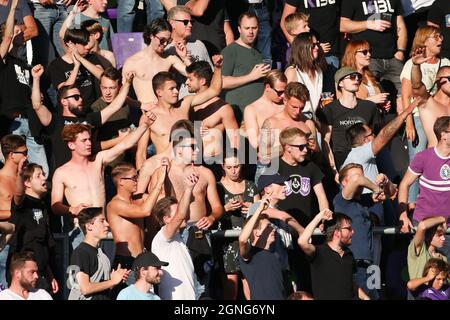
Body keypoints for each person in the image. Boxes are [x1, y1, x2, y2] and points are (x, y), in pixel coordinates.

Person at [50, 113, 155, 250]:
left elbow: (125, 144)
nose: (89, 143)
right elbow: (55, 205)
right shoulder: (61, 172)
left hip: (104, 228)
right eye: (84, 141)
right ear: (71, 145)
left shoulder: (98, 160)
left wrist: (144, 126)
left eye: (89, 139)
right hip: (81, 230)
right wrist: (72, 209)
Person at [149, 124, 223, 298]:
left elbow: (218, 207)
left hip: (200, 232)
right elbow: (161, 208)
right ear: (179, 150)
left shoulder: (205, 173)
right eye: (192, 146)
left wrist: (212, 217)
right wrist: (164, 176)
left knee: (204, 284)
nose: (198, 149)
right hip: (174, 234)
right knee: (177, 281)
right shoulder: (164, 172)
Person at [31, 65, 138, 171]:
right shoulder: (55, 121)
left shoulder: (89, 119)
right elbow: (37, 106)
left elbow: (115, 106)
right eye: (76, 97)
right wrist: (36, 78)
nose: (81, 100)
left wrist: (128, 83)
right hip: (67, 177)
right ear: (64, 101)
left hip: (88, 175)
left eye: (81, 96)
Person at [134, 55, 223, 163]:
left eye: (176, 87)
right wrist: (141, 175)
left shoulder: (184, 104)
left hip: (190, 167)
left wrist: (218, 68)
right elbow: (141, 153)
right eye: (171, 89)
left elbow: (214, 91)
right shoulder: (149, 117)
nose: (176, 91)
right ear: (159, 92)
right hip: (167, 170)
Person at [0, 0, 49, 174]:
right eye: (17, 33)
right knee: (16, 174)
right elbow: (6, 38)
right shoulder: (3, 62)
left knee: (42, 172)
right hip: (13, 125)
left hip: (30, 125)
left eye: (21, 32)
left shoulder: (24, 65)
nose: (21, 35)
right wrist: (13, 8)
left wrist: (35, 80)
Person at [335, 163, 396, 299]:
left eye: (363, 176)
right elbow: (358, 180)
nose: (361, 180)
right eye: (356, 176)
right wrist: (375, 188)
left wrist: (386, 181)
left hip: (371, 265)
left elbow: (390, 193)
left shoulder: (364, 200)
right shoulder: (341, 200)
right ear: (344, 182)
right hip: (352, 265)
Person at [340, 0, 407, 110]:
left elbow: (400, 25)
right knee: (371, 96)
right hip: (367, 58)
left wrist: (401, 51)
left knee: (404, 95)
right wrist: (368, 24)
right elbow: (342, 25)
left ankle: (406, 126)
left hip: (393, 57)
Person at [107, 161, 166, 275]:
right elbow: (145, 211)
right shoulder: (115, 204)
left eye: (137, 177)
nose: (137, 181)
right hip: (127, 261)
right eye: (134, 178)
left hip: (142, 259)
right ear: (121, 181)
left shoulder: (138, 200)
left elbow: (164, 199)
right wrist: (159, 183)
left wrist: (164, 171)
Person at [7, 163, 58, 294]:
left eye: (44, 175)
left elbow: (43, 245)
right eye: (38, 176)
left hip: (40, 274)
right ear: (27, 183)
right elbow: (18, 194)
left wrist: (50, 275)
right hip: (23, 275)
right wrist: (19, 174)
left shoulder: (43, 206)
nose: (43, 179)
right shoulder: (22, 203)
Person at [216, 148, 260, 299]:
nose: (233, 171)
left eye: (237, 166)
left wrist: (252, 210)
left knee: (251, 287)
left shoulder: (251, 186)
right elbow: (210, 214)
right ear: (222, 166)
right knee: (231, 289)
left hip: (249, 240)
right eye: (229, 167)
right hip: (227, 243)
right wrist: (226, 208)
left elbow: (261, 213)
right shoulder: (217, 188)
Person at [319, 67, 379, 173]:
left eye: (359, 77)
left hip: (366, 156)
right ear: (340, 83)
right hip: (342, 157)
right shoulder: (329, 109)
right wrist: (333, 168)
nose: (356, 79)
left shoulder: (369, 107)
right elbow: (326, 141)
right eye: (352, 77)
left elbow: (375, 134)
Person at [151, 173, 200, 300]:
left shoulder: (177, 237)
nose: (183, 213)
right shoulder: (162, 237)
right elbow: (180, 216)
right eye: (177, 211)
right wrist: (188, 188)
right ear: (166, 219)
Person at [122, 18, 192, 105]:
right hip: (146, 113)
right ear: (151, 36)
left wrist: (184, 58)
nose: (165, 44)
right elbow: (121, 94)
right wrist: (141, 106)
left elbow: (193, 75)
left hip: (167, 112)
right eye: (162, 40)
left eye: (168, 41)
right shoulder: (132, 62)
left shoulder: (169, 58)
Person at [398, 116, 450, 233]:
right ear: (443, 135)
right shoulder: (424, 157)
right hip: (424, 225)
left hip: (447, 226)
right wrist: (403, 215)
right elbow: (404, 184)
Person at [259, 81, 317, 182]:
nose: (298, 112)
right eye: (294, 107)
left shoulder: (308, 124)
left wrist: (315, 149)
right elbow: (262, 154)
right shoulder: (271, 123)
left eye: (301, 108)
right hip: (278, 177)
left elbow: (318, 157)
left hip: (303, 176)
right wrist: (289, 147)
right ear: (285, 100)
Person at [68, 207, 129, 300]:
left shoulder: (101, 254)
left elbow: (101, 289)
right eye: (102, 221)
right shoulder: (80, 253)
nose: (107, 224)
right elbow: (85, 289)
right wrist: (112, 281)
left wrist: (115, 280)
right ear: (89, 226)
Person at [298, 210, 362, 300]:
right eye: (349, 229)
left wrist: (365, 297)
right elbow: (302, 241)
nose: (353, 232)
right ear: (337, 232)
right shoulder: (319, 252)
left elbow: (350, 283)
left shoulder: (349, 255)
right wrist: (318, 217)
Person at [221, 11, 270, 122]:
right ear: (239, 29)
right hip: (239, 116)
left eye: (254, 28)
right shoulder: (230, 51)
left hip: (260, 115)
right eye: (247, 28)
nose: (251, 32)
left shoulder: (258, 53)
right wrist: (251, 76)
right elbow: (222, 82)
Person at [186, 60, 239, 159]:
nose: (186, 82)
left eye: (190, 79)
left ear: (202, 81)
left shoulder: (222, 108)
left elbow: (234, 141)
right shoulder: (186, 106)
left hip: (213, 161)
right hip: (189, 162)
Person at [238, 196, 286, 300]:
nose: (273, 229)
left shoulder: (275, 255)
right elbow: (242, 240)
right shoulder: (251, 254)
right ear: (256, 232)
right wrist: (259, 209)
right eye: (268, 226)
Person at [47, 27, 103, 109]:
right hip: (72, 111)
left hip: (93, 108)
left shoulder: (91, 58)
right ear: (71, 44)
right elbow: (64, 90)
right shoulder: (56, 65)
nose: (88, 47)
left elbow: (102, 76)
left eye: (87, 43)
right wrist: (76, 66)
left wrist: (80, 59)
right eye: (84, 44)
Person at [166, 5, 213, 99]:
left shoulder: (199, 45)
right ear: (172, 24)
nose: (190, 25)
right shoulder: (166, 49)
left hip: (201, 100)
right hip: (177, 103)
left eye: (191, 21)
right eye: (185, 22)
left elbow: (210, 75)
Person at [0, 134, 27, 289]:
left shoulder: (23, 178)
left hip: (22, 239)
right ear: (11, 155)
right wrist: (12, 214)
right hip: (4, 239)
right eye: (23, 152)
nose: (27, 155)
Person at [280, 0, 339, 68]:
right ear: (293, 31)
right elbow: (284, 23)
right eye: (304, 26)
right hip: (308, 56)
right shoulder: (293, 53)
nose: (308, 28)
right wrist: (305, 49)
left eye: (307, 25)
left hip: (331, 51)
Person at [409, 57, 450, 148]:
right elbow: (417, 86)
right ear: (439, 80)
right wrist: (415, 66)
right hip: (436, 159)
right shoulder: (427, 102)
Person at [285, 32, 327, 119]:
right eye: (313, 45)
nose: (317, 47)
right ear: (303, 48)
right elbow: (285, 101)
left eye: (317, 44)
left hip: (313, 118)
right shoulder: (293, 71)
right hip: (297, 117)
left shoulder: (318, 71)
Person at [244, 70, 287, 153]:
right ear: (267, 87)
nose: (283, 96)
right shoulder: (252, 109)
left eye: (285, 92)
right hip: (270, 156)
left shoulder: (285, 105)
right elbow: (254, 143)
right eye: (279, 92)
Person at [340, 40, 390, 108]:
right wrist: (370, 100)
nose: (369, 55)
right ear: (353, 54)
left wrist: (382, 105)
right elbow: (344, 104)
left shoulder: (369, 75)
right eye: (364, 52)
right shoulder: (345, 76)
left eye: (370, 51)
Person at [29, 0, 69, 66]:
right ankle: (38, 76)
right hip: (41, 7)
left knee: (65, 53)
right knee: (42, 55)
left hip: (62, 7)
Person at [407, 216, 447, 281]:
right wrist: (442, 219)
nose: (443, 238)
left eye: (443, 235)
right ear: (428, 235)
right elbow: (422, 226)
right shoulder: (419, 250)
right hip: (420, 290)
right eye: (439, 235)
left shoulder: (443, 257)